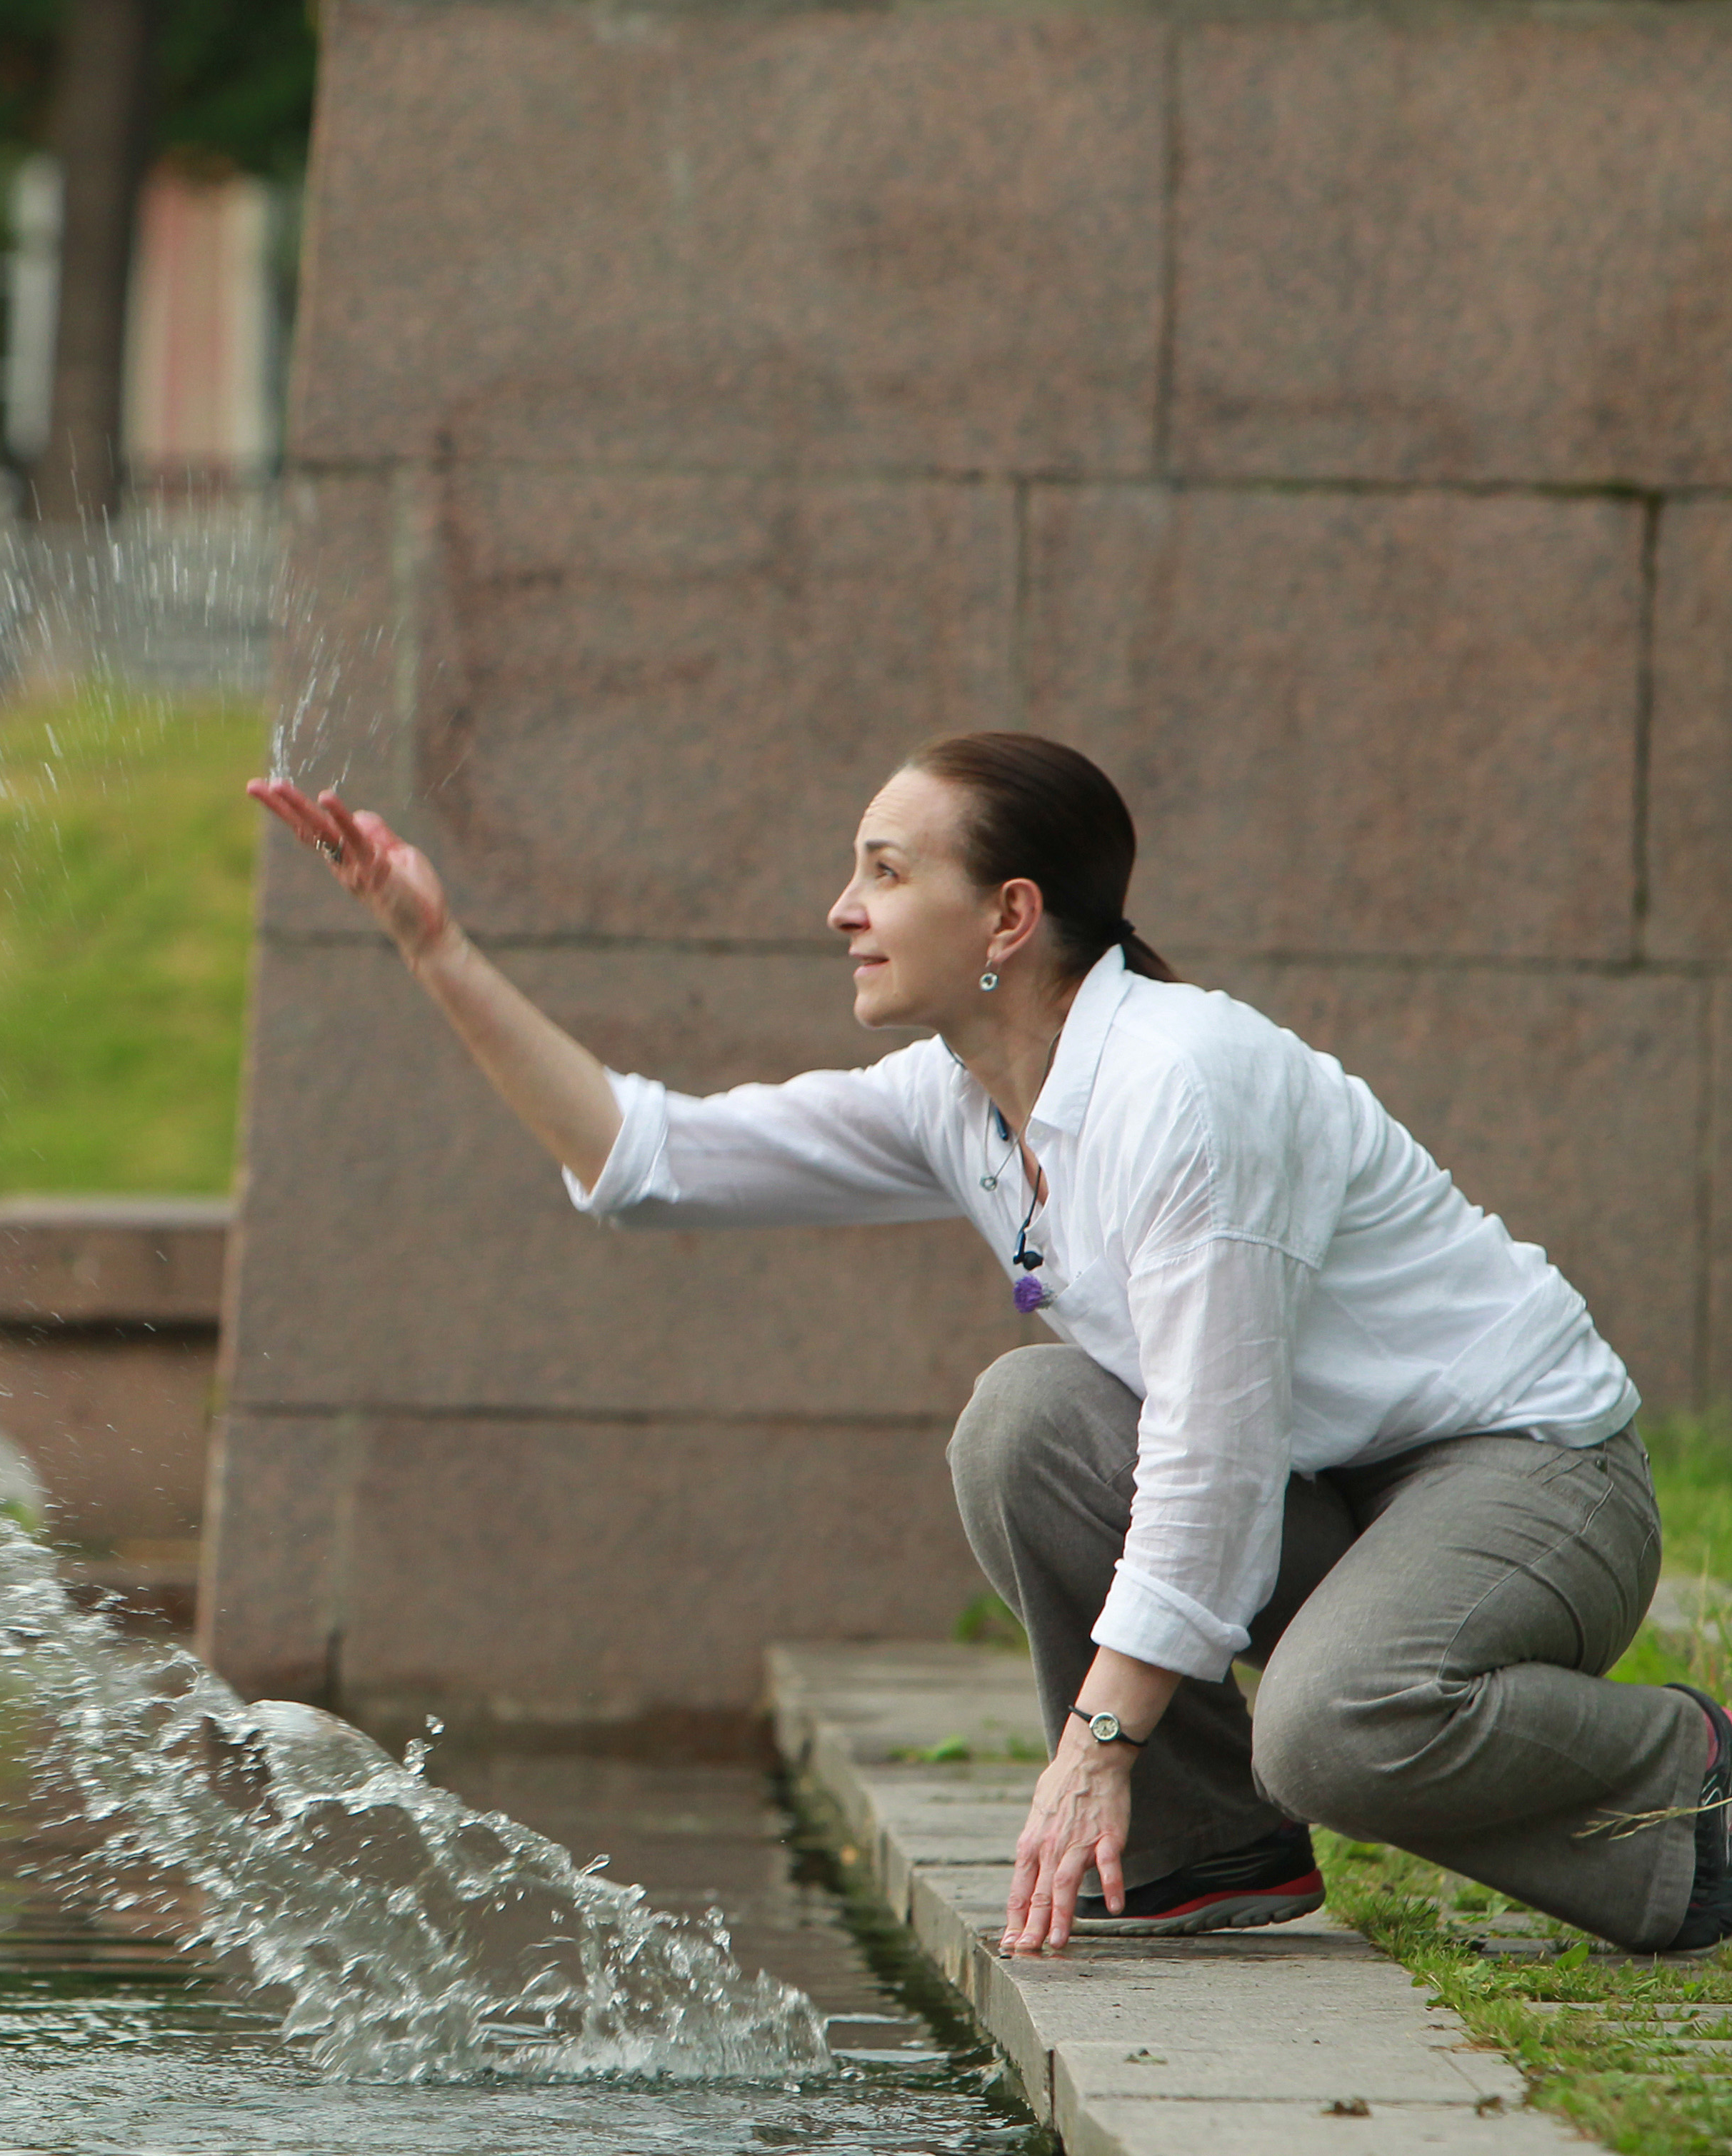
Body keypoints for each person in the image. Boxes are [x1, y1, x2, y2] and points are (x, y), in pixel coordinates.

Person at [249, 735, 1729, 1958]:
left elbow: (1210, 1461)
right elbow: (652, 1159)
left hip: (1531, 1480)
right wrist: (430, 945)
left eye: (885, 872)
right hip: (1335, 1483)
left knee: (1331, 1727)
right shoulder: (957, 1095)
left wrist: (1092, 1743)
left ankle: (1695, 1786)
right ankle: (1202, 1854)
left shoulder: (1182, 1086)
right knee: (1024, 1421)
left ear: (1009, 920)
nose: (843, 906)